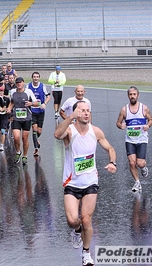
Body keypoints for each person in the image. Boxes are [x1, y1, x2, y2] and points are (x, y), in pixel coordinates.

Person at [54, 101, 117, 266]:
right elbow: (57, 134)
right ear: (75, 113)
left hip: (90, 182)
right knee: (73, 220)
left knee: (86, 219)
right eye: (82, 110)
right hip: (72, 183)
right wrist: (69, 118)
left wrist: (112, 162)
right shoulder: (69, 131)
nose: (86, 113)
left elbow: (110, 148)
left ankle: (86, 253)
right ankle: (76, 230)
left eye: (88, 110)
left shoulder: (95, 131)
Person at [116, 86, 152, 192]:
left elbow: (151, 120)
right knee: (132, 162)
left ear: (138, 95)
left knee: (140, 163)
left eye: (134, 94)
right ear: (128, 96)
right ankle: (137, 182)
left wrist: (148, 125)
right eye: (130, 94)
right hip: (130, 140)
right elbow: (118, 123)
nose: (132, 96)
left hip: (142, 140)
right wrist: (121, 125)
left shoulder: (144, 108)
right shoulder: (124, 109)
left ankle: (143, 167)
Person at [7, 77, 38, 165]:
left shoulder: (28, 92)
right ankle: (18, 152)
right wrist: (9, 109)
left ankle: (25, 155)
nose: (19, 84)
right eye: (17, 83)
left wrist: (31, 103)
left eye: (20, 82)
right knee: (16, 137)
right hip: (16, 118)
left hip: (26, 118)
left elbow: (37, 103)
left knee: (24, 138)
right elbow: (12, 102)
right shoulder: (12, 92)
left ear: (23, 83)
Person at [28, 71, 51, 156]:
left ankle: (36, 138)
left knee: (39, 131)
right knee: (34, 128)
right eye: (34, 76)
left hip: (41, 111)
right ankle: (36, 149)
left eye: (37, 77)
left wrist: (44, 103)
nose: (35, 78)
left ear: (39, 78)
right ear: (32, 78)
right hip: (32, 111)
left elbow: (48, 96)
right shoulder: (29, 86)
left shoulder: (42, 86)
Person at [0, 85, 10, 152]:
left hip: (4, 117)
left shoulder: (6, 99)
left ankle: (1, 145)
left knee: (2, 131)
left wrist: (8, 112)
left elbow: (9, 107)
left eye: (1, 91)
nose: (0, 92)